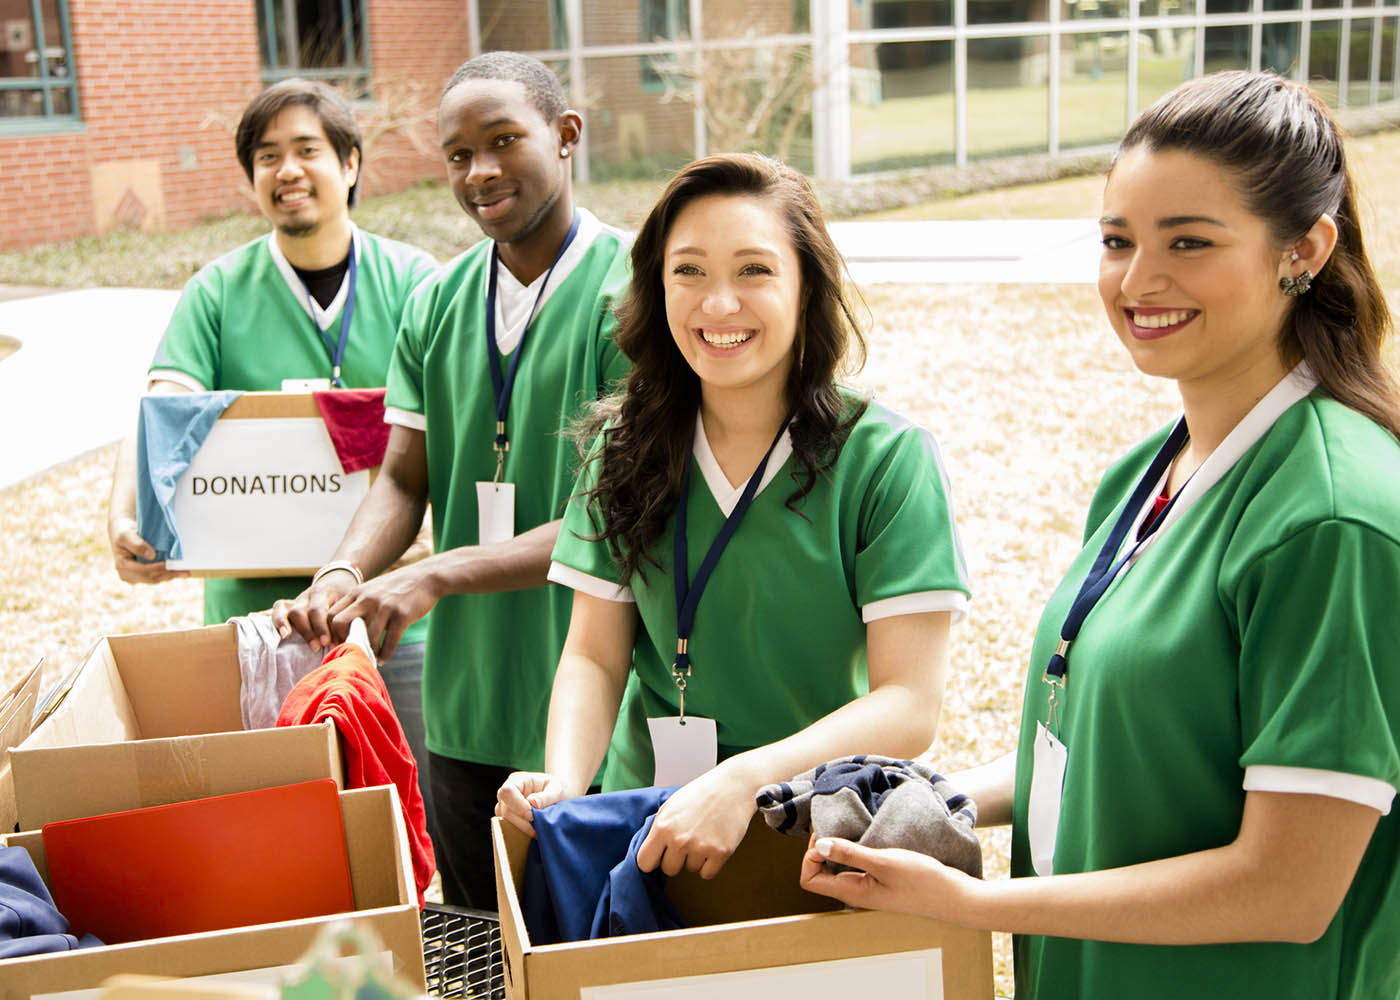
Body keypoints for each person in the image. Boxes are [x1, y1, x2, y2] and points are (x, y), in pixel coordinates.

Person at [799, 71, 1400, 1000]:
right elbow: (1103, 743)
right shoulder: (1147, 472)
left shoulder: (1331, 519)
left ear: (1304, 250)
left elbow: (1289, 889)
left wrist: (973, 903)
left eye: (1189, 243)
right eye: (1117, 241)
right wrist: (941, 797)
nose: (1137, 280)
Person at [496, 153, 970, 880]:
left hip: (814, 829)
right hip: (646, 829)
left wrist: (743, 780)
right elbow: (594, 656)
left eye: (754, 270)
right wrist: (564, 781)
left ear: (806, 286)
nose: (718, 304)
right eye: (689, 271)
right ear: (655, 287)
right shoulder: (620, 448)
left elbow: (908, 704)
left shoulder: (886, 459)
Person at [272, 52, 632, 910]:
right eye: (458, 154)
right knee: (477, 931)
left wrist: (432, 573)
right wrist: (344, 570)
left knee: (589, 942)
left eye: (505, 140)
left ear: (567, 134)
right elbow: (403, 477)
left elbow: (617, 514)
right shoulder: (435, 300)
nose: (481, 172)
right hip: (464, 704)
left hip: (590, 702)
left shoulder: (635, 291)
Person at [106, 78, 440, 832]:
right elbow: (163, 408)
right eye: (266, 157)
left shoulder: (418, 283)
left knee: (403, 820)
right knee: (280, 832)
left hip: (393, 616)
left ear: (350, 163)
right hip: (259, 628)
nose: (286, 171)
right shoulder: (218, 292)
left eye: (306, 150)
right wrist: (125, 517)